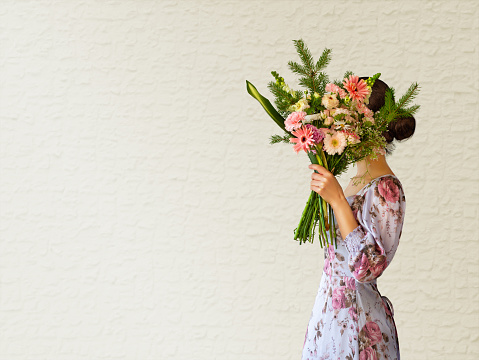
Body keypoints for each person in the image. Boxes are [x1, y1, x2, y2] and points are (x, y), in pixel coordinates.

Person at [301, 79, 415, 360]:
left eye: (344, 119)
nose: (337, 129)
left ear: (367, 124)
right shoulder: (353, 183)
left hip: (359, 327)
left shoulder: (387, 189)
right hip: (327, 318)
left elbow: (367, 269)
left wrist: (338, 201)